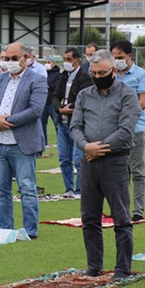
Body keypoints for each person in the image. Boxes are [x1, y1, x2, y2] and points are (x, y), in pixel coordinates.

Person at [70, 49, 141, 279]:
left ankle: (122, 268)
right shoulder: (83, 95)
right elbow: (75, 127)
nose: (98, 75)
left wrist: (97, 149)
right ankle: (94, 266)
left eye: (103, 72)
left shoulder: (128, 95)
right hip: (89, 162)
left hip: (115, 161)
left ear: (114, 70)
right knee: (89, 218)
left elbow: (125, 130)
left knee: (120, 217)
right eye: (94, 72)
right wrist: (85, 146)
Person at [0, 42, 47, 239]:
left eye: (14, 58)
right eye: (6, 58)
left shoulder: (37, 80)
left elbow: (36, 110)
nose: (9, 62)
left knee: (27, 188)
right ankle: (4, 229)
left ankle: (30, 231)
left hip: (22, 143)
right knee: (0, 188)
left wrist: (7, 121)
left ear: (26, 58)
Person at [112, 40, 145, 221]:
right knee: (118, 174)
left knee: (137, 171)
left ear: (130, 56)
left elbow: (143, 103)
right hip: (113, 131)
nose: (117, 60)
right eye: (114, 57)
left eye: (120, 57)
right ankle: (120, 209)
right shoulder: (110, 74)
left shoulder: (141, 75)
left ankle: (138, 210)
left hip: (135, 130)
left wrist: (120, 108)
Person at [52, 48, 93, 197]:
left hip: (76, 124)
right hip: (62, 122)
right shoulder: (63, 76)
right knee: (64, 158)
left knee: (78, 159)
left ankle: (80, 190)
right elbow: (55, 96)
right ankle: (68, 189)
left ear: (77, 60)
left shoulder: (85, 78)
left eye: (69, 59)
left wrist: (70, 108)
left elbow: (84, 99)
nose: (66, 62)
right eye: (64, 59)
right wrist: (59, 109)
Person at [42, 56, 61, 147]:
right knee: (42, 124)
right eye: (45, 62)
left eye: (49, 62)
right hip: (44, 102)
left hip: (52, 103)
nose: (47, 64)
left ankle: (60, 142)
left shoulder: (58, 74)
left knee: (57, 123)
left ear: (54, 63)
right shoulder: (43, 73)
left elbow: (58, 86)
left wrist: (49, 85)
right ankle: (43, 143)